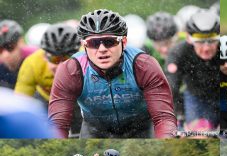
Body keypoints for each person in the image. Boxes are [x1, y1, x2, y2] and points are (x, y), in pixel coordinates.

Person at [48, 9, 177, 138]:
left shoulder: (144, 65)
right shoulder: (70, 70)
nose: (102, 49)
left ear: (124, 42)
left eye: (110, 42)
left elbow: (163, 118)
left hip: (142, 129)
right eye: (93, 43)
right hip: (95, 131)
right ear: (84, 45)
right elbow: (58, 125)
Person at [165, 9, 220, 131]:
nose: (206, 48)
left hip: (224, 94)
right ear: (189, 39)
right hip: (196, 98)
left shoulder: (225, 48)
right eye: (200, 42)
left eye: (211, 41)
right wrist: (178, 115)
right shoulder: (179, 52)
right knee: (200, 132)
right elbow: (171, 88)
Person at [15, 23, 81, 108]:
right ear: (44, 57)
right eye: (55, 60)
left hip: (78, 101)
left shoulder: (88, 60)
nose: (61, 66)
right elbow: (20, 103)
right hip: (46, 101)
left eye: (66, 59)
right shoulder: (32, 63)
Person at [0, 20, 37, 89]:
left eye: (10, 47)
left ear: (21, 42)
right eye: (0, 50)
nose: (5, 54)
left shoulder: (35, 56)